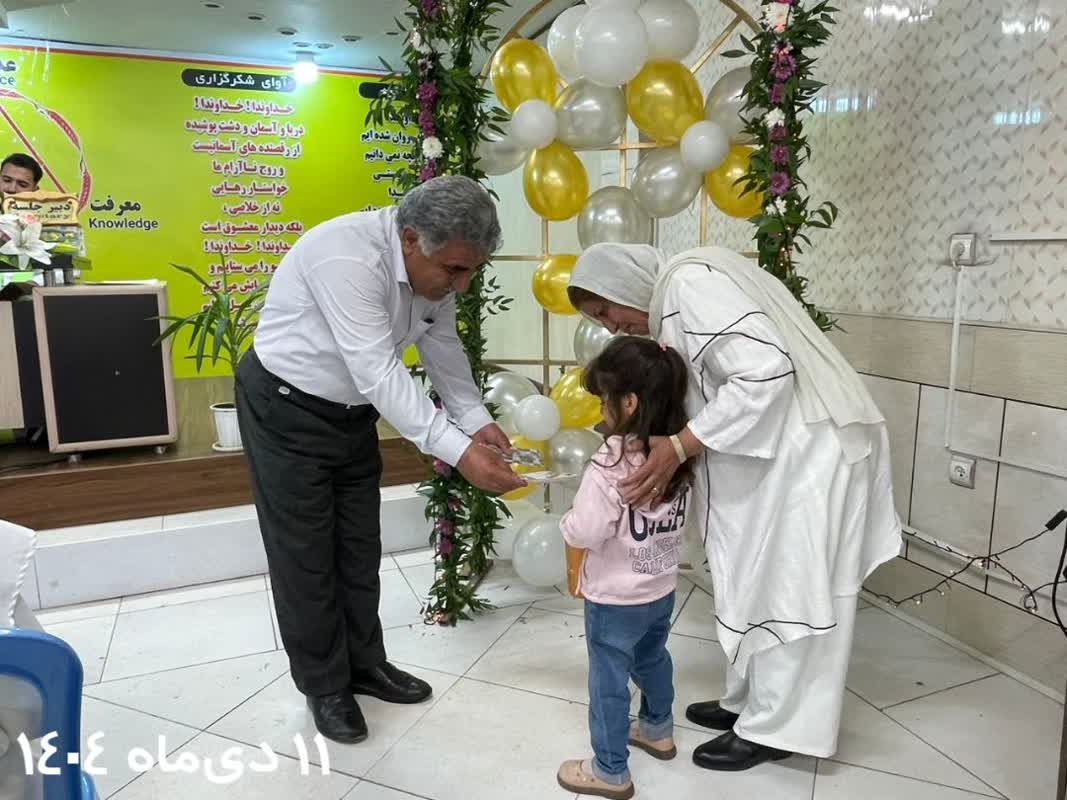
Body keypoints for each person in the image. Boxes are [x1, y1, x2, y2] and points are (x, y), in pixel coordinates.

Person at [567, 243, 902, 771]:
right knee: (758, 581)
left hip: (812, 458)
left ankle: (777, 728)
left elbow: (765, 372)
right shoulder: (676, 297)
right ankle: (749, 704)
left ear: (624, 284)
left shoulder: (689, 285)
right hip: (784, 461)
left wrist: (680, 446)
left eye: (605, 310)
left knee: (791, 589)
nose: (610, 327)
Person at [236, 176, 524, 744]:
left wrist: (475, 420)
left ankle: (366, 665)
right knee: (306, 554)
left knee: (359, 545)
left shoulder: (434, 268)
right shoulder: (346, 256)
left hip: (350, 414)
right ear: (411, 239)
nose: (462, 286)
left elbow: (442, 345)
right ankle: (324, 685)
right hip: (286, 408)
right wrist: (460, 453)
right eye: (454, 271)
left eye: (472, 271)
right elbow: (378, 371)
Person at [557, 336, 695, 800]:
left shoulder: (610, 462)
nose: (601, 409)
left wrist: (566, 524)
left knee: (608, 681)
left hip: (614, 598)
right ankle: (657, 728)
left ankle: (610, 769)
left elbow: (587, 529)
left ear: (629, 402)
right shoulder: (676, 456)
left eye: (604, 399)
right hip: (660, 589)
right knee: (653, 657)